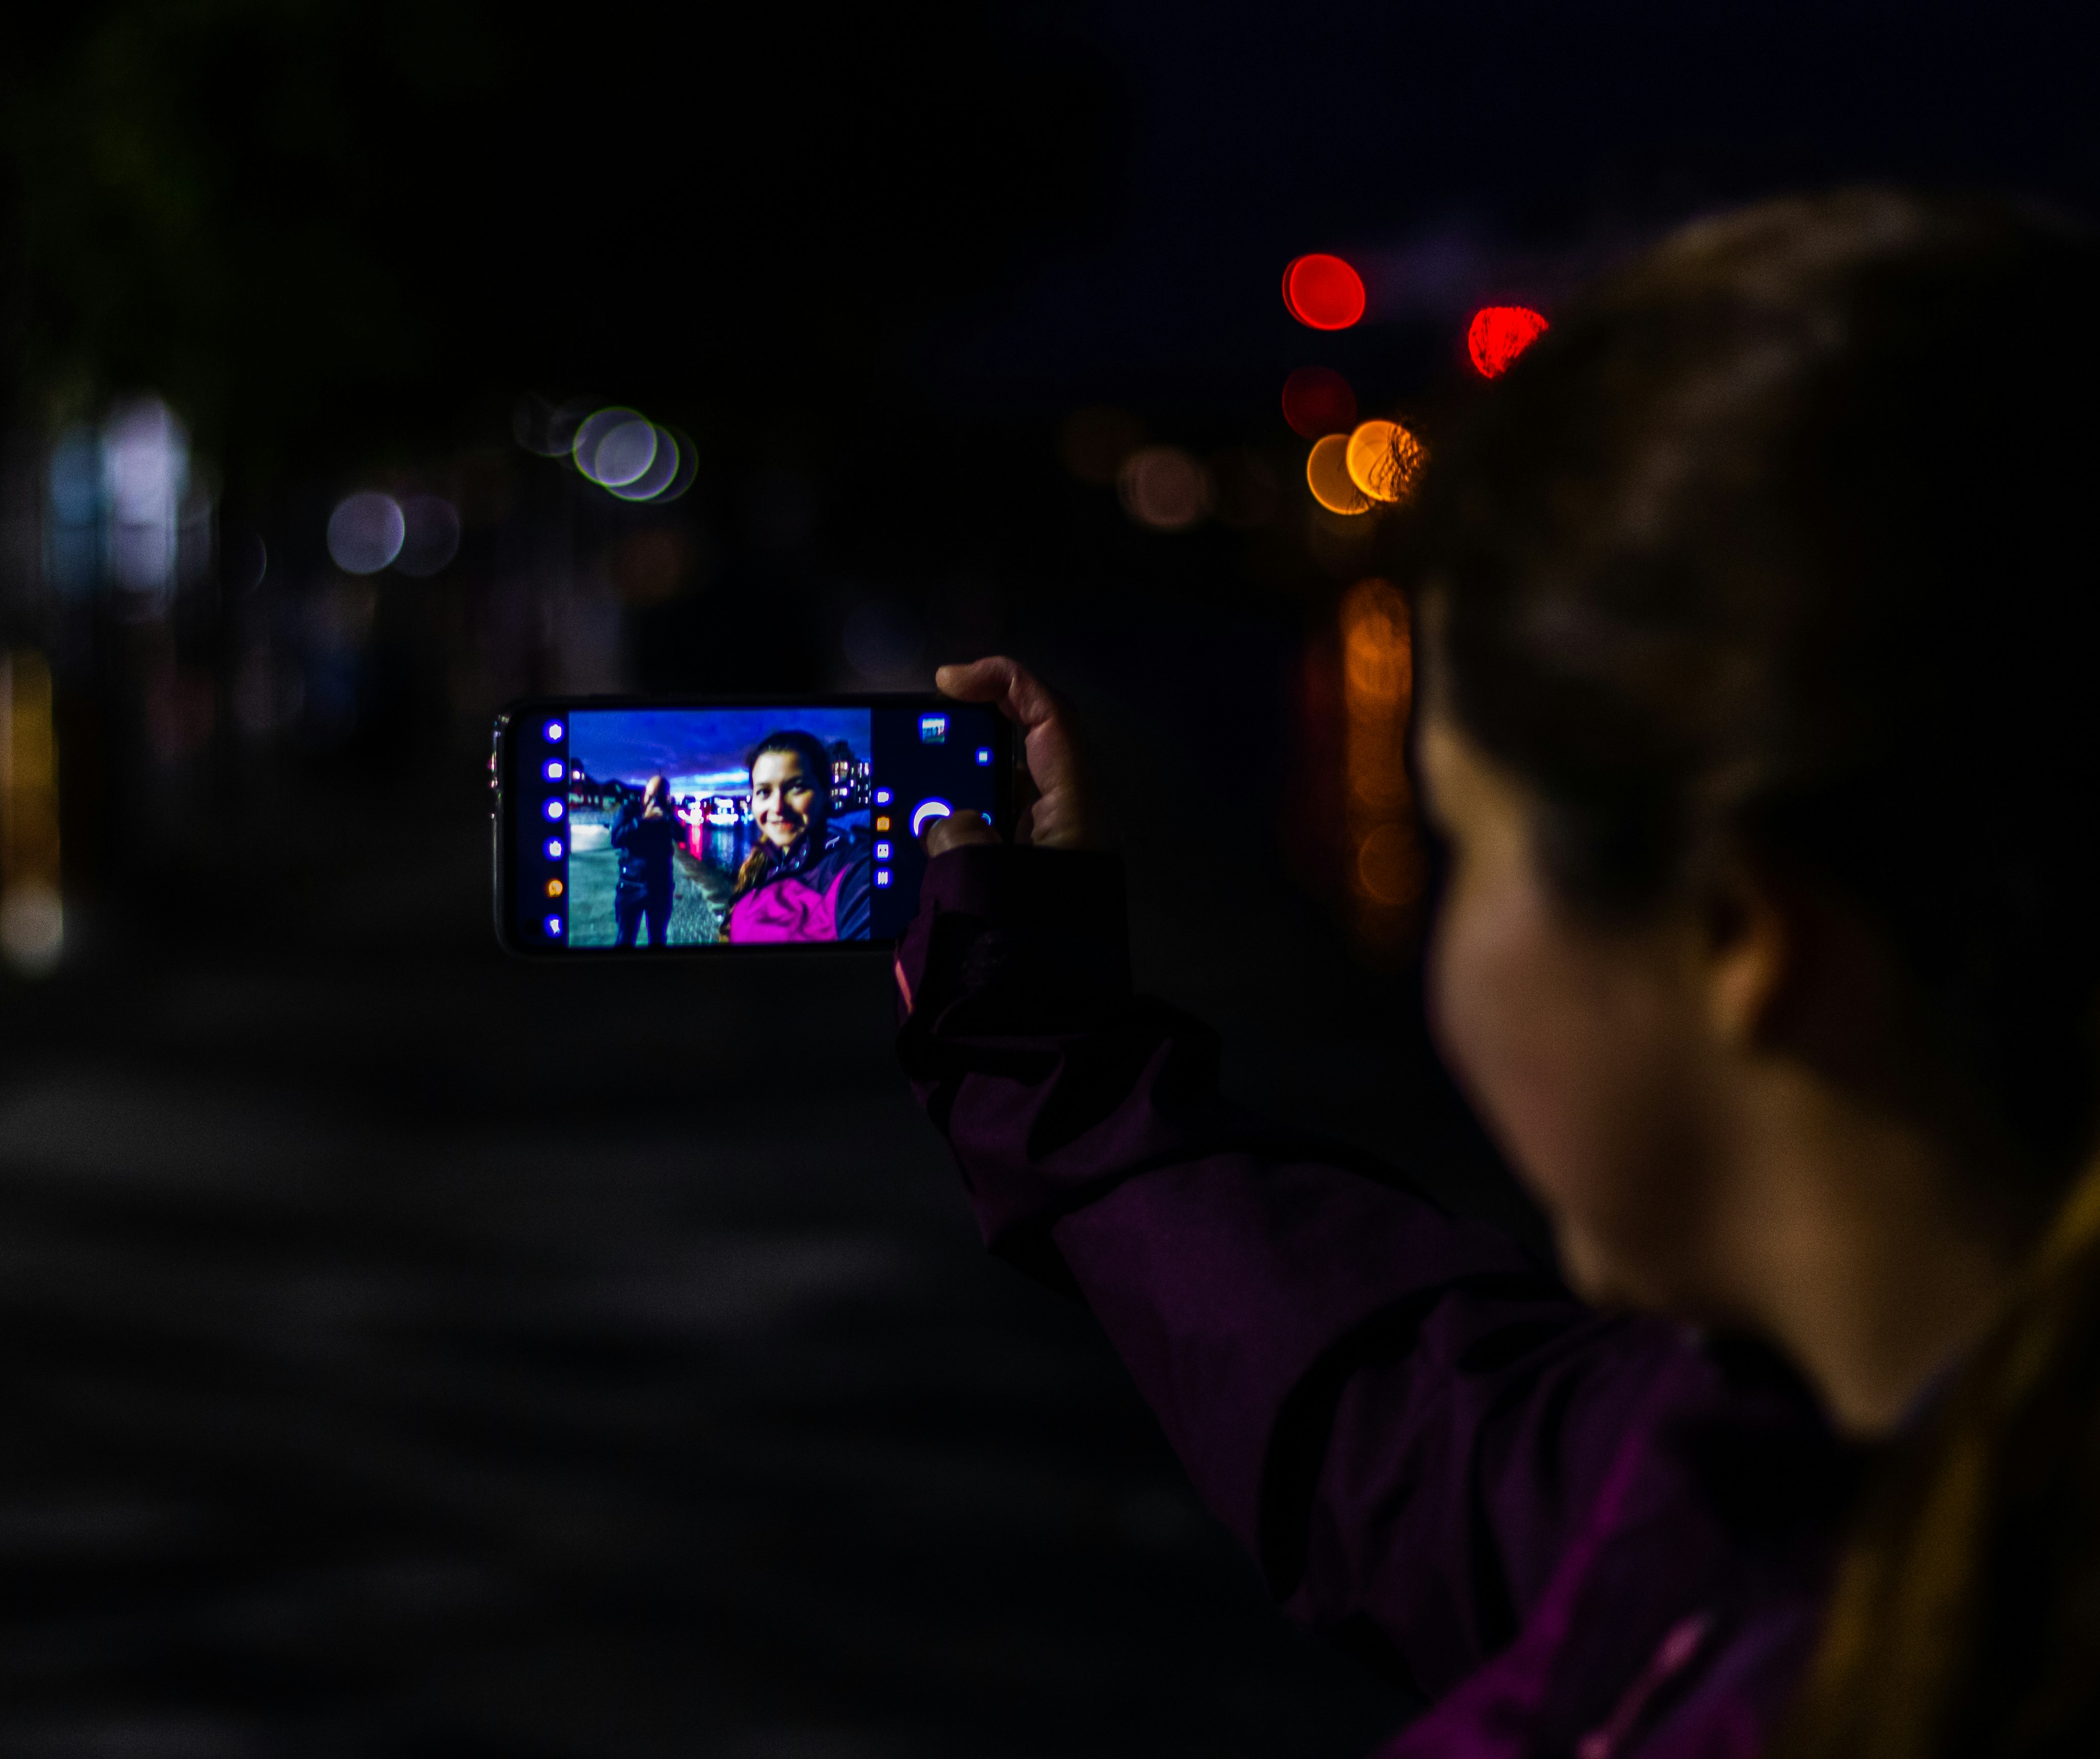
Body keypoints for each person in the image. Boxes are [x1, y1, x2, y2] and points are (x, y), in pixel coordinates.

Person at [899, 191, 2100, 1758]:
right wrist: (1049, 1043)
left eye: (1463, 845)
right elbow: (1415, 1435)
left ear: (1739, 940)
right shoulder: (1794, 1468)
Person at [725, 729, 872, 944]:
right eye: (764, 792)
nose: (778, 807)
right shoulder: (768, 865)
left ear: (825, 792)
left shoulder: (855, 871)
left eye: (796, 788)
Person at [609, 773, 679, 946]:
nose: (654, 801)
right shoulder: (629, 810)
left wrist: (670, 816)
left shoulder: (666, 814)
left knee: (658, 940)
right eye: (651, 795)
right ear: (644, 792)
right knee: (625, 939)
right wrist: (642, 821)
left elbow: (682, 836)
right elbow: (616, 839)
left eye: (659, 796)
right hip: (630, 886)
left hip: (661, 887)